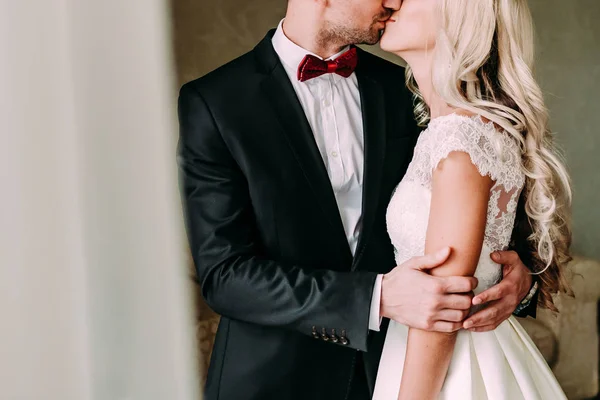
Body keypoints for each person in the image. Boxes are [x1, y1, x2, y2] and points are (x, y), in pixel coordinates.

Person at [177, 1, 538, 399]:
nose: (392, 1)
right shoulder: (216, 101)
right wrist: (376, 297)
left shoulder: (409, 86)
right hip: (273, 381)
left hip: (397, 370)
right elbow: (224, 275)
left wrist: (517, 281)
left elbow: (473, 207)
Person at [372, 0, 572, 399]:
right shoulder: (453, 128)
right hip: (418, 349)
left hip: (444, 365)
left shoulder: (458, 137)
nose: (391, 1)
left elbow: (443, 302)